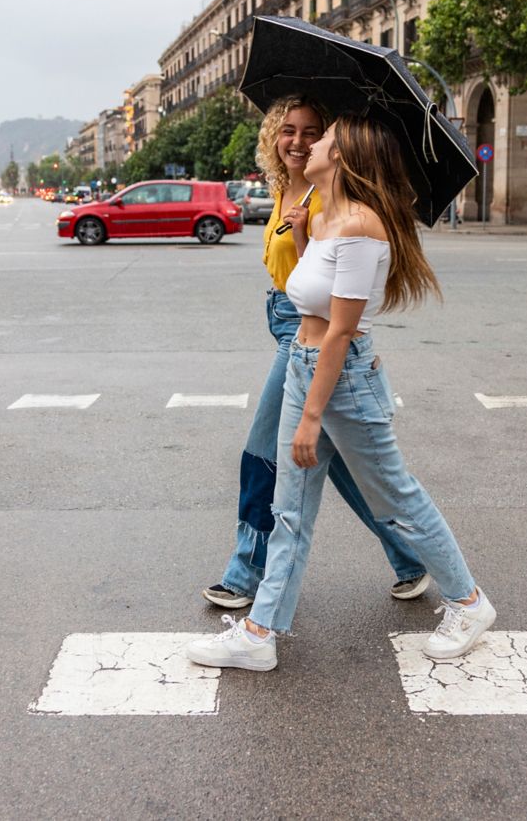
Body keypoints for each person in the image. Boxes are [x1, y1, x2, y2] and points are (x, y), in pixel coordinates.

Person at [187, 114, 495, 672]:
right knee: (290, 509)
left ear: (345, 155)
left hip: (343, 379)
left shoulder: (360, 226)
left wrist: (309, 419)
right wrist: (304, 231)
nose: (313, 143)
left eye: (324, 137)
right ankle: (260, 633)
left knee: (397, 498)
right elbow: (310, 294)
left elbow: (341, 328)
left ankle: (469, 603)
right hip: (309, 366)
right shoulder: (328, 218)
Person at [201, 95, 432, 612]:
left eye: (312, 132)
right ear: (272, 137)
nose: (299, 141)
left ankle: (245, 572)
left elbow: (337, 296)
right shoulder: (285, 189)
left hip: (309, 333)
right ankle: (410, 556)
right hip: (284, 315)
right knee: (343, 462)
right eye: (288, 130)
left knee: (263, 450)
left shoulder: (333, 198)